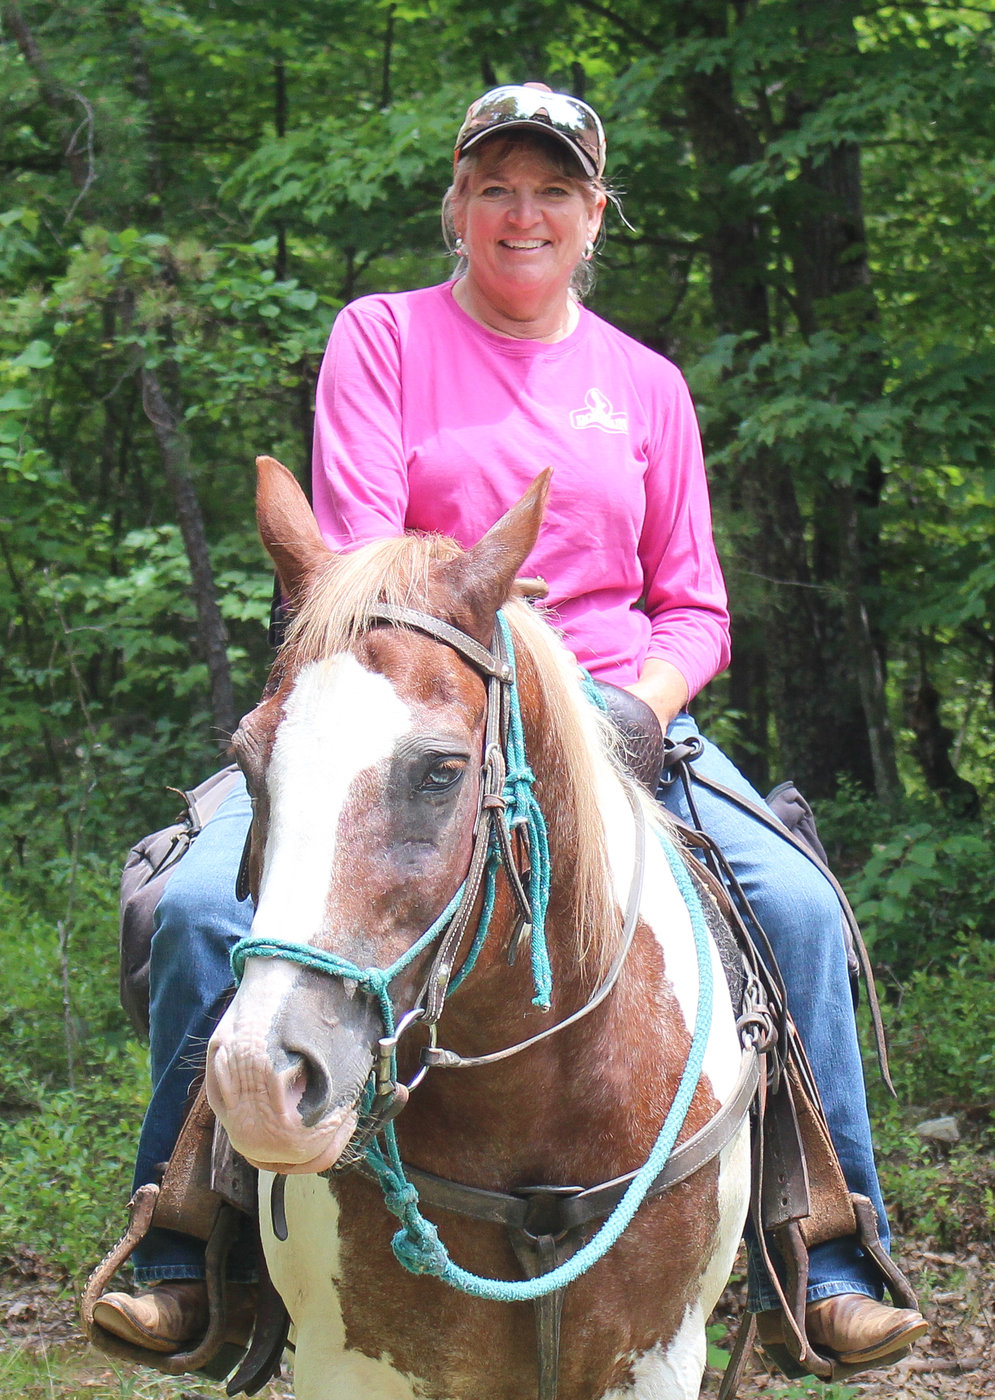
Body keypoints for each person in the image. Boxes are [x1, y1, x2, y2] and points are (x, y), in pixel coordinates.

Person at [96, 82, 926, 1375]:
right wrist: (472, 652)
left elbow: (694, 609)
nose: (522, 214)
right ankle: (184, 1238)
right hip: (407, 706)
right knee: (205, 907)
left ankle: (820, 1249)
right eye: (496, 187)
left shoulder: (644, 385)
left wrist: (626, 715)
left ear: (594, 216)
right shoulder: (382, 337)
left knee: (800, 910)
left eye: (552, 191)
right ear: (460, 207)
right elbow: (361, 559)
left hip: (606, 716)